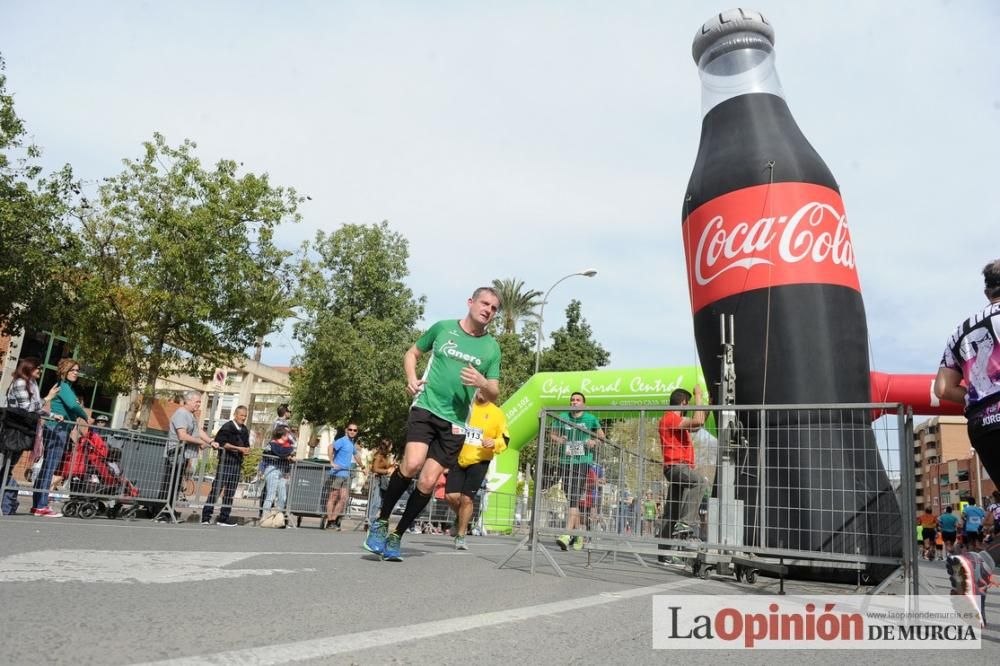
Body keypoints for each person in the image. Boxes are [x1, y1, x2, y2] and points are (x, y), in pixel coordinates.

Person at [364, 286, 502, 561]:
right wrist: (411, 379)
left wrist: (482, 383)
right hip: (426, 407)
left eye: (494, 308)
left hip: (455, 423)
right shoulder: (443, 328)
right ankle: (380, 521)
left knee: (427, 482)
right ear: (471, 302)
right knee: (413, 463)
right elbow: (411, 353)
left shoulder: (491, 348)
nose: (488, 310)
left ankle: (397, 535)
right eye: (485, 303)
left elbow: (495, 392)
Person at [935, 259, 1000, 491]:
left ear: (987, 293)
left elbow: (942, 389)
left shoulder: (959, 331)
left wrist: (974, 396)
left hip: (982, 423)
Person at [445, 390, 509, 550]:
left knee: (466, 499)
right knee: (450, 496)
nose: (481, 391)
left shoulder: (497, 413)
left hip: (480, 460)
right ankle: (460, 518)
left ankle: (460, 536)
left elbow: (506, 439)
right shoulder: (465, 406)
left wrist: (494, 442)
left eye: (484, 388)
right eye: (478, 388)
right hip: (458, 457)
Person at [548, 392, 606, 551]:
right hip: (566, 461)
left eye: (578, 400)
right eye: (572, 400)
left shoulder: (590, 419)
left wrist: (594, 441)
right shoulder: (563, 416)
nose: (574, 402)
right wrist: (560, 440)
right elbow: (552, 435)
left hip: (583, 462)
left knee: (574, 496)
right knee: (570, 498)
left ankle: (566, 535)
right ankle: (579, 533)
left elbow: (602, 438)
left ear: (584, 404)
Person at [34, 358, 91, 517]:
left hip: (59, 428)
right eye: (73, 370)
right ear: (65, 371)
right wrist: (86, 417)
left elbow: (72, 406)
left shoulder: (67, 387)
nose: (76, 373)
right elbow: (73, 406)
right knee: (49, 467)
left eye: (77, 370)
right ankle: (41, 505)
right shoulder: (64, 386)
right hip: (57, 429)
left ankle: (38, 504)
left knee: (47, 467)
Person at [3, 358, 60, 515]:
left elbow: (35, 407)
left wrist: (52, 414)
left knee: (9, 466)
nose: (40, 371)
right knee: (7, 466)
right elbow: (26, 407)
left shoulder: (32, 384)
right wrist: (48, 398)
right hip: (14, 430)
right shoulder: (21, 383)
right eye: (37, 368)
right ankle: (9, 501)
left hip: (23, 430)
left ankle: (8, 502)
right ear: (28, 368)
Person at [150, 390, 215, 522]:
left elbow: (198, 431)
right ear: (188, 401)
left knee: (176, 483)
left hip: (183, 455)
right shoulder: (181, 413)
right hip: (175, 453)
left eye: (199, 402)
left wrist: (211, 441)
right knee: (170, 482)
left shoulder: (191, 415)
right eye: (197, 402)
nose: (199, 405)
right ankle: (161, 512)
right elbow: (182, 435)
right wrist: (200, 442)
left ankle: (169, 510)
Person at [658, 386, 708, 549]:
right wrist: (699, 396)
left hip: (678, 468)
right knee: (699, 482)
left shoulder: (673, 421)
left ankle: (664, 553)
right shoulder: (671, 418)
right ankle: (686, 523)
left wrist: (708, 407)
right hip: (677, 467)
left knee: (672, 510)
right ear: (684, 403)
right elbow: (698, 421)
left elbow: (697, 425)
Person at [201, 405, 250, 527]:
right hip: (225, 462)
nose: (243, 418)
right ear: (235, 414)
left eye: (245, 416)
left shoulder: (244, 430)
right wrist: (239, 448)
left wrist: (247, 450)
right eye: (241, 415)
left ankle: (224, 518)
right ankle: (206, 517)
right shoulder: (227, 427)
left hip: (237, 463)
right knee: (216, 489)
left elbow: (246, 445)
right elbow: (222, 443)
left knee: (230, 492)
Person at [326, 423, 363, 530]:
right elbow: (330, 447)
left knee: (343, 498)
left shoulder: (351, 443)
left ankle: (333, 520)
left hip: (346, 474)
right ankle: (329, 521)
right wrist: (331, 461)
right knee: (333, 496)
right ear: (346, 430)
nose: (352, 431)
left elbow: (356, 455)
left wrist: (363, 467)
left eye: (355, 430)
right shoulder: (342, 440)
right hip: (337, 473)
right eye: (350, 429)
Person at [261, 426, 296, 519]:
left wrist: (289, 459)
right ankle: (265, 517)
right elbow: (279, 452)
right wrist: (287, 455)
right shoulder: (272, 444)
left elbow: (289, 452)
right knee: (270, 495)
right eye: (287, 434)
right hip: (272, 470)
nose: (288, 436)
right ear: (282, 435)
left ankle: (278, 517)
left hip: (282, 471)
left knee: (282, 496)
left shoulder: (287, 446)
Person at [366, 439, 396, 529]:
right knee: (376, 502)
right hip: (376, 481)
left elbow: (384, 466)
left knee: (379, 502)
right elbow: (375, 469)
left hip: (381, 480)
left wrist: (392, 466)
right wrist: (387, 471)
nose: (392, 447)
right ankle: (370, 521)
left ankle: (371, 521)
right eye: (391, 446)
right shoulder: (379, 456)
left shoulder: (385, 456)